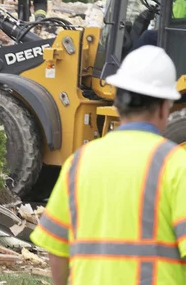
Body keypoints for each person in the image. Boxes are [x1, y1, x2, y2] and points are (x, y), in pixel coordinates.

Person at [31, 45, 186, 284]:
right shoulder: (176, 165)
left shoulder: (79, 162)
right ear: (165, 107)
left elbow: (57, 247)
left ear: (117, 101)